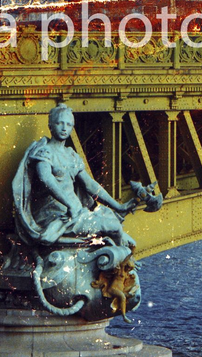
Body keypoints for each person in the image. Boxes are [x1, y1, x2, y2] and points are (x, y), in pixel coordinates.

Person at [12, 103, 137, 249]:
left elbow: (89, 184)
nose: (64, 128)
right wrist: (70, 204)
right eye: (59, 123)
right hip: (53, 215)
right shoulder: (44, 152)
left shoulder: (71, 155)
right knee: (112, 226)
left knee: (112, 221)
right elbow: (46, 179)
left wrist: (118, 206)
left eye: (69, 124)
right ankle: (117, 262)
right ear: (50, 125)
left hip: (75, 212)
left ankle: (118, 261)